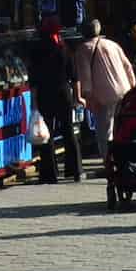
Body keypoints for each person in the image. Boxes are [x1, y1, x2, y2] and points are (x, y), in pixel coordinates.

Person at [28, 20, 82, 184]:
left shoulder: (37, 51)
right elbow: (75, 77)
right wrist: (77, 97)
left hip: (45, 95)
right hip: (63, 94)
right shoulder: (64, 49)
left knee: (46, 134)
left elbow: (34, 81)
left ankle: (49, 173)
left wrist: (34, 102)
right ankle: (75, 170)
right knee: (68, 131)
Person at [73, 17, 136, 158]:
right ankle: (123, 159)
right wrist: (133, 88)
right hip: (125, 92)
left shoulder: (83, 49)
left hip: (103, 97)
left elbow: (85, 77)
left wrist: (88, 98)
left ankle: (109, 162)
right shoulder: (113, 44)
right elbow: (128, 67)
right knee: (121, 129)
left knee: (104, 132)